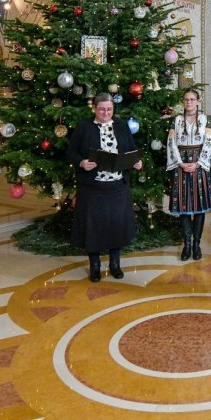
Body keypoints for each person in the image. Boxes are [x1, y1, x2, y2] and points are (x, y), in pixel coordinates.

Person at [67, 93, 143, 281]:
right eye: (101, 109)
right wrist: (82, 162)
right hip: (92, 187)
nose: (105, 112)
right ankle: (94, 266)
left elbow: (132, 149)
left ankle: (115, 264)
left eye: (109, 109)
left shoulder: (121, 125)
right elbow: (70, 151)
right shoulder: (84, 126)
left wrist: (137, 162)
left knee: (116, 226)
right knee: (93, 227)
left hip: (117, 186)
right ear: (94, 108)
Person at [166, 87, 211, 261]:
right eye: (186, 100)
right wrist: (180, 163)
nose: (189, 102)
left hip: (198, 164)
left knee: (199, 207)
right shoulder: (176, 120)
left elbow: (208, 142)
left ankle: (196, 245)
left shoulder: (204, 119)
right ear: (183, 102)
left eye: (192, 99)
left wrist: (198, 163)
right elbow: (171, 143)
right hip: (181, 164)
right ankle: (186, 244)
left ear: (198, 102)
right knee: (184, 207)